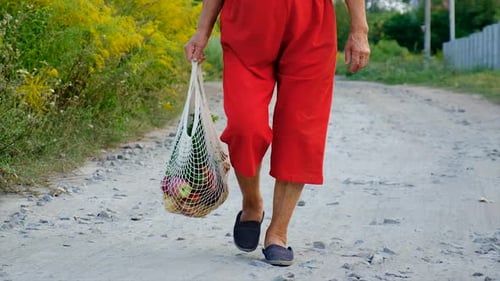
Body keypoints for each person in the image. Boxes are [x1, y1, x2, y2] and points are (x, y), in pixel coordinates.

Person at [185, 0, 370, 266]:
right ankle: (252, 204)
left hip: (311, 27)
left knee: (302, 132)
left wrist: (359, 29)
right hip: (247, 25)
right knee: (244, 126)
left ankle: (278, 233)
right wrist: (202, 30)